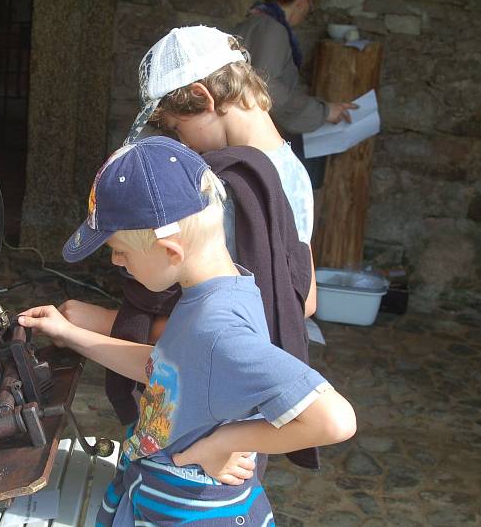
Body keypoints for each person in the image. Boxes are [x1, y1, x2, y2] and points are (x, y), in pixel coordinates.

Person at [18, 136, 357, 525]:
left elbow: (334, 420)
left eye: (121, 251)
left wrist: (222, 444)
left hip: (189, 510)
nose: (115, 261)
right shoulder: (220, 291)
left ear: (170, 251)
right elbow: (169, 368)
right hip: (159, 489)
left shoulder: (219, 330)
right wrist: (72, 335)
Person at [62, 26, 320, 470]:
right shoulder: (292, 173)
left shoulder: (230, 187)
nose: (179, 145)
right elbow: (304, 299)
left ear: (203, 98)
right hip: (212, 397)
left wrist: (107, 322)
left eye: (177, 128)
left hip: (208, 415)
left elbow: (240, 319)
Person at [233, 0, 357, 187]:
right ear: (303, 0)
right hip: (255, 144)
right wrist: (323, 111)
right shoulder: (272, 29)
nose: (308, 12)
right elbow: (267, 89)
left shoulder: (249, 24)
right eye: (311, 6)